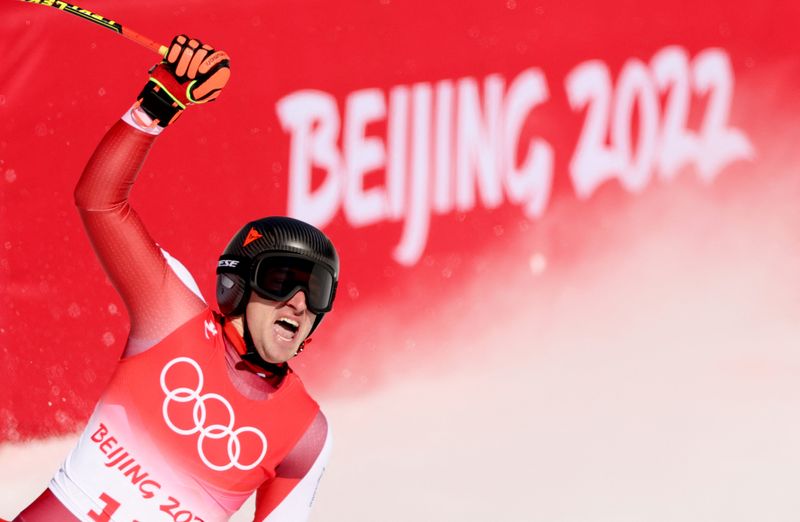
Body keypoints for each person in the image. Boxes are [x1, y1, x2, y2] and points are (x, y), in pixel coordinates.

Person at [12, 35, 337, 522]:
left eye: (315, 290)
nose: (297, 303)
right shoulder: (171, 313)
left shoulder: (306, 433)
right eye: (280, 280)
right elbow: (100, 200)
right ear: (237, 285)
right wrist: (158, 104)